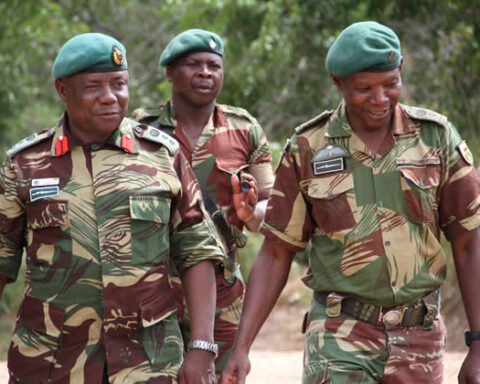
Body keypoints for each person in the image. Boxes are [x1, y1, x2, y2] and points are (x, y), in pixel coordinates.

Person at [221, 21, 480, 384]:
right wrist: (242, 348)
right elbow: (277, 251)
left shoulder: (436, 138)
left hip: (419, 338)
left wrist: (478, 344)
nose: (380, 99)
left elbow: (469, 244)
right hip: (338, 337)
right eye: (364, 89)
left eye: (391, 84)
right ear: (338, 83)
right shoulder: (308, 147)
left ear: (401, 69)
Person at [0, 32, 225, 384]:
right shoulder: (24, 166)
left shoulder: (162, 156)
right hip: (50, 363)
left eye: (119, 84)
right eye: (93, 87)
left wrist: (201, 347)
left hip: (150, 362)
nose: (110, 98)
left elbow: (197, 252)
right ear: (63, 90)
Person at [133, 29, 274, 375]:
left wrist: (250, 211)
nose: (205, 72)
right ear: (170, 73)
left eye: (214, 65)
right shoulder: (140, 130)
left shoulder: (245, 129)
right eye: (193, 64)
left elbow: (271, 212)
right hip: (153, 290)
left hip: (223, 296)